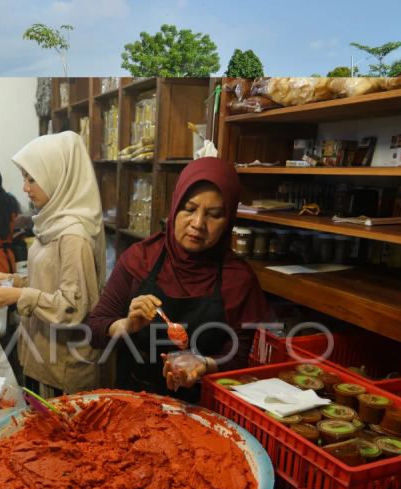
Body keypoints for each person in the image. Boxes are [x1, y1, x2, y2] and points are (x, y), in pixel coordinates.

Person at [85, 157, 269, 403]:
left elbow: (237, 359)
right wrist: (126, 326)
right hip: (132, 399)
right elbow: (94, 330)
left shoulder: (239, 280)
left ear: (229, 221)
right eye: (189, 209)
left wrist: (202, 364)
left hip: (202, 409)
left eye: (214, 214)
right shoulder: (140, 259)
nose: (198, 223)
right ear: (174, 207)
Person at [0, 131, 106, 398]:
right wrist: (15, 281)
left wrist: (19, 295)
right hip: (42, 358)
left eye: (32, 179)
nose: (26, 187)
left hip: (62, 370)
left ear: (57, 175)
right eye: (24, 178)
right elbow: (50, 282)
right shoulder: (52, 223)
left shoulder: (73, 235)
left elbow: (72, 306)